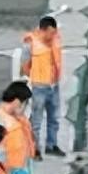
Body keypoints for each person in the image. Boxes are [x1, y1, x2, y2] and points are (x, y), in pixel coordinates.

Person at [22, 15, 65, 158]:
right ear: (43, 30)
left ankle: (51, 145)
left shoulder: (55, 39)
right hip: (39, 87)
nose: (53, 35)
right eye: (51, 33)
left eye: (55, 32)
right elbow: (25, 66)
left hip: (54, 85)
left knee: (54, 118)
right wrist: (35, 77)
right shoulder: (31, 44)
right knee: (37, 120)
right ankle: (35, 149)